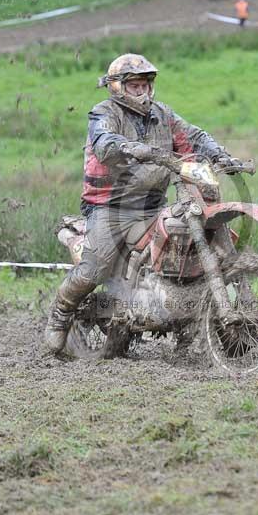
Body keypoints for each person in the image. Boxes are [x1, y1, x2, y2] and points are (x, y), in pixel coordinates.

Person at [44, 53, 236, 354]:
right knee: (97, 267)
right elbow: (105, 145)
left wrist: (221, 155)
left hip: (153, 206)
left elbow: (194, 137)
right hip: (110, 208)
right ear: (118, 86)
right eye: (135, 85)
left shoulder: (163, 115)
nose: (143, 91)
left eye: (146, 84)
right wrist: (137, 149)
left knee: (188, 241)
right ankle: (60, 314)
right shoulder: (104, 113)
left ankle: (193, 316)